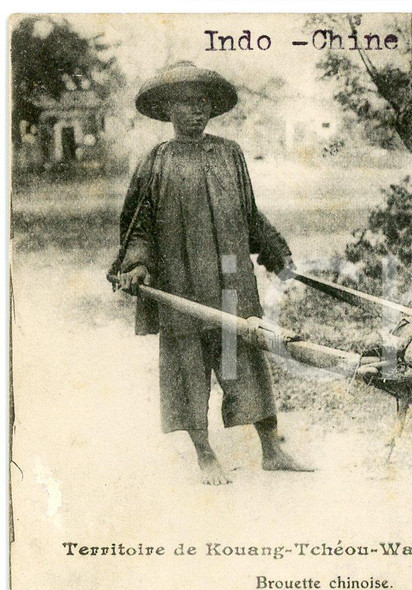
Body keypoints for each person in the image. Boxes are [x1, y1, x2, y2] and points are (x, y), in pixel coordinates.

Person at [111, 62, 311, 485]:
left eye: (202, 103)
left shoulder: (230, 153)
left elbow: (249, 214)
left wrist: (277, 254)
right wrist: (138, 266)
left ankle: (272, 449)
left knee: (246, 356)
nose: (195, 112)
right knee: (187, 364)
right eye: (185, 103)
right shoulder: (156, 162)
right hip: (180, 281)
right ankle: (204, 452)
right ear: (167, 110)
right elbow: (139, 228)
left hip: (232, 278)